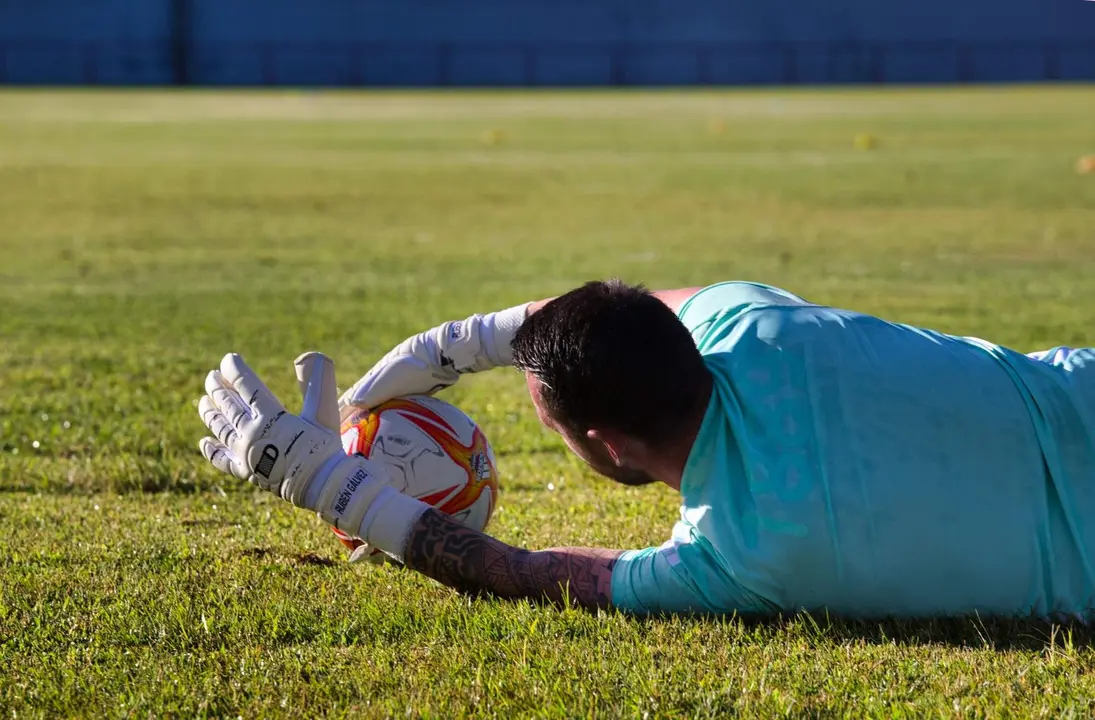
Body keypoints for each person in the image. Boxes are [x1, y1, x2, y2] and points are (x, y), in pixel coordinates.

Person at [197, 280, 1095, 619]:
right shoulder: (749, 320)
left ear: (607, 445)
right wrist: (461, 342)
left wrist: (330, 486)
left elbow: (527, 571)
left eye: (548, 420)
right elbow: (635, 302)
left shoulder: (741, 556)